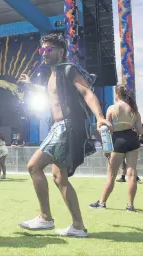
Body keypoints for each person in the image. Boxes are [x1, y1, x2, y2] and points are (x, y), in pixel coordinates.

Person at [18, 33, 111, 237]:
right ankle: (78, 226)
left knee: (34, 166)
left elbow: (87, 92)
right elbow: (50, 93)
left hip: (65, 127)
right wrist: (30, 86)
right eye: (42, 50)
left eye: (48, 50)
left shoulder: (68, 69)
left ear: (61, 51)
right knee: (60, 178)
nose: (43, 53)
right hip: (60, 127)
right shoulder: (54, 74)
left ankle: (45, 218)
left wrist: (100, 117)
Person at [89, 84, 143, 211]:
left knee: (111, 175)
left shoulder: (112, 108)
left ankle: (102, 203)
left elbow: (108, 130)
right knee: (131, 174)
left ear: (117, 94)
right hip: (132, 140)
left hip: (118, 141)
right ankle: (130, 205)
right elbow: (140, 130)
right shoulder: (134, 109)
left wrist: (106, 149)